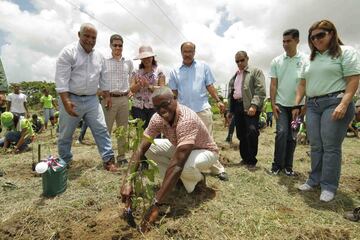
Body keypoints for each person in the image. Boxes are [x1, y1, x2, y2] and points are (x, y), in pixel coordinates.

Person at [121, 87, 219, 232]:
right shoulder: (157, 118)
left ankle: (199, 180)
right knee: (150, 149)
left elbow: (178, 164)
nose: (161, 110)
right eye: (157, 107)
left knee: (184, 167)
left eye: (165, 104)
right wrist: (128, 181)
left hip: (205, 151)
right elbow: (141, 148)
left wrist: (156, 204)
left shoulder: (186, 119)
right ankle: (176, 181)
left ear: (174, 99)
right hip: (182, 147)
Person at [293, 20, 360, 202]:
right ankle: (314, 179)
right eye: (312, 37)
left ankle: (329, 185)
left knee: (330, 146)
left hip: (335, 102)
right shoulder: (309, 59)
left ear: (332, 33)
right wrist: (297, 104)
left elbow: (353, 79)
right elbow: (302, 84)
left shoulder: (346, 52)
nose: (316, 39)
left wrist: (344, 104)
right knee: (315, 144)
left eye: (320, 35)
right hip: (313, 105)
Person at [55, 23, 117, 171]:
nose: (90, 40)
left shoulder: (99, 56)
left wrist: (107, 96)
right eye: (86, 36)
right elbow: (61, 79)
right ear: (79, 35)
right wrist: (66, 101)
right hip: (71, 98)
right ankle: (65, 160)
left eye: (93, 37)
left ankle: (108, 160)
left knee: (101, 129)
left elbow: (104, 77)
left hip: (91, 100)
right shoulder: (68, 52)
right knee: (65, 133)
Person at [169, 42, 228, 181]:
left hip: (202, 109)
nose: (187, 54)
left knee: (209, 141)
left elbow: (210, 86)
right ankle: (186, 167)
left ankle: (217, 169)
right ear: (181, 52)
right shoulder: (174, 71)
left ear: (194, 52)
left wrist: (218, 100)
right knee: (185, 141)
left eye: (190, 51)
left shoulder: (203, 67)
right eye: (185, 51)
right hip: (184, 113)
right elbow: (174, 93)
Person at [269, 29, 309, 176]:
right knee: (281, 133)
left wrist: (302, 106)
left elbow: (306, 84)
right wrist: (273, 104)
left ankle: (288, 166)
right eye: (283, 41)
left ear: (297, 41)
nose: (285, 44)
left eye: (288, 41)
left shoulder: (306, 60)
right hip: (281, 106)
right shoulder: (276, 61)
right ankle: (276, 165)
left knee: (292, 135)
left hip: (297, 108)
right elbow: (273, 84)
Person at [227, 51, 266, 170]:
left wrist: (254, 105)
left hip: (250, 107)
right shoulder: (235, 76)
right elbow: (232, 94)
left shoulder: (255, 72)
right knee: (241, 134)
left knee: (252, 131)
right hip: (237, 107)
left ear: (247, 58)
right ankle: (244, 158)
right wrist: (230, 110)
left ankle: (252, 160)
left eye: (242, 60)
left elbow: (260, 90)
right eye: (237, 61)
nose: (239, 63)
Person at [102, 34, 134, 163]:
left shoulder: (128, 62)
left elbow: (132, 76)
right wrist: (105, 95)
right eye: (115, 45)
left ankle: (121, 157)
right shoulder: (104, 61)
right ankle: (107, 157)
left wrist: (131, 89)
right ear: (110, 45)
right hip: (109, 99)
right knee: (106, 129)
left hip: (123, 99)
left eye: (120, 45)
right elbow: (100, 79)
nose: (117, 47)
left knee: (122, 129)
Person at [130, 45, 165, 130]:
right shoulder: (136, 71)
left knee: (155, 132)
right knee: (141, 132)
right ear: (141, 59)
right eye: (144, 58)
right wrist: (139, 85)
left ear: (152, 57)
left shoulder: (159, 70)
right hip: (138, 107)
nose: (146, 60)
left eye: (148, 57)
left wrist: (148, 86)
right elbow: (132, 89)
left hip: (154, 107)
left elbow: (163, 90)